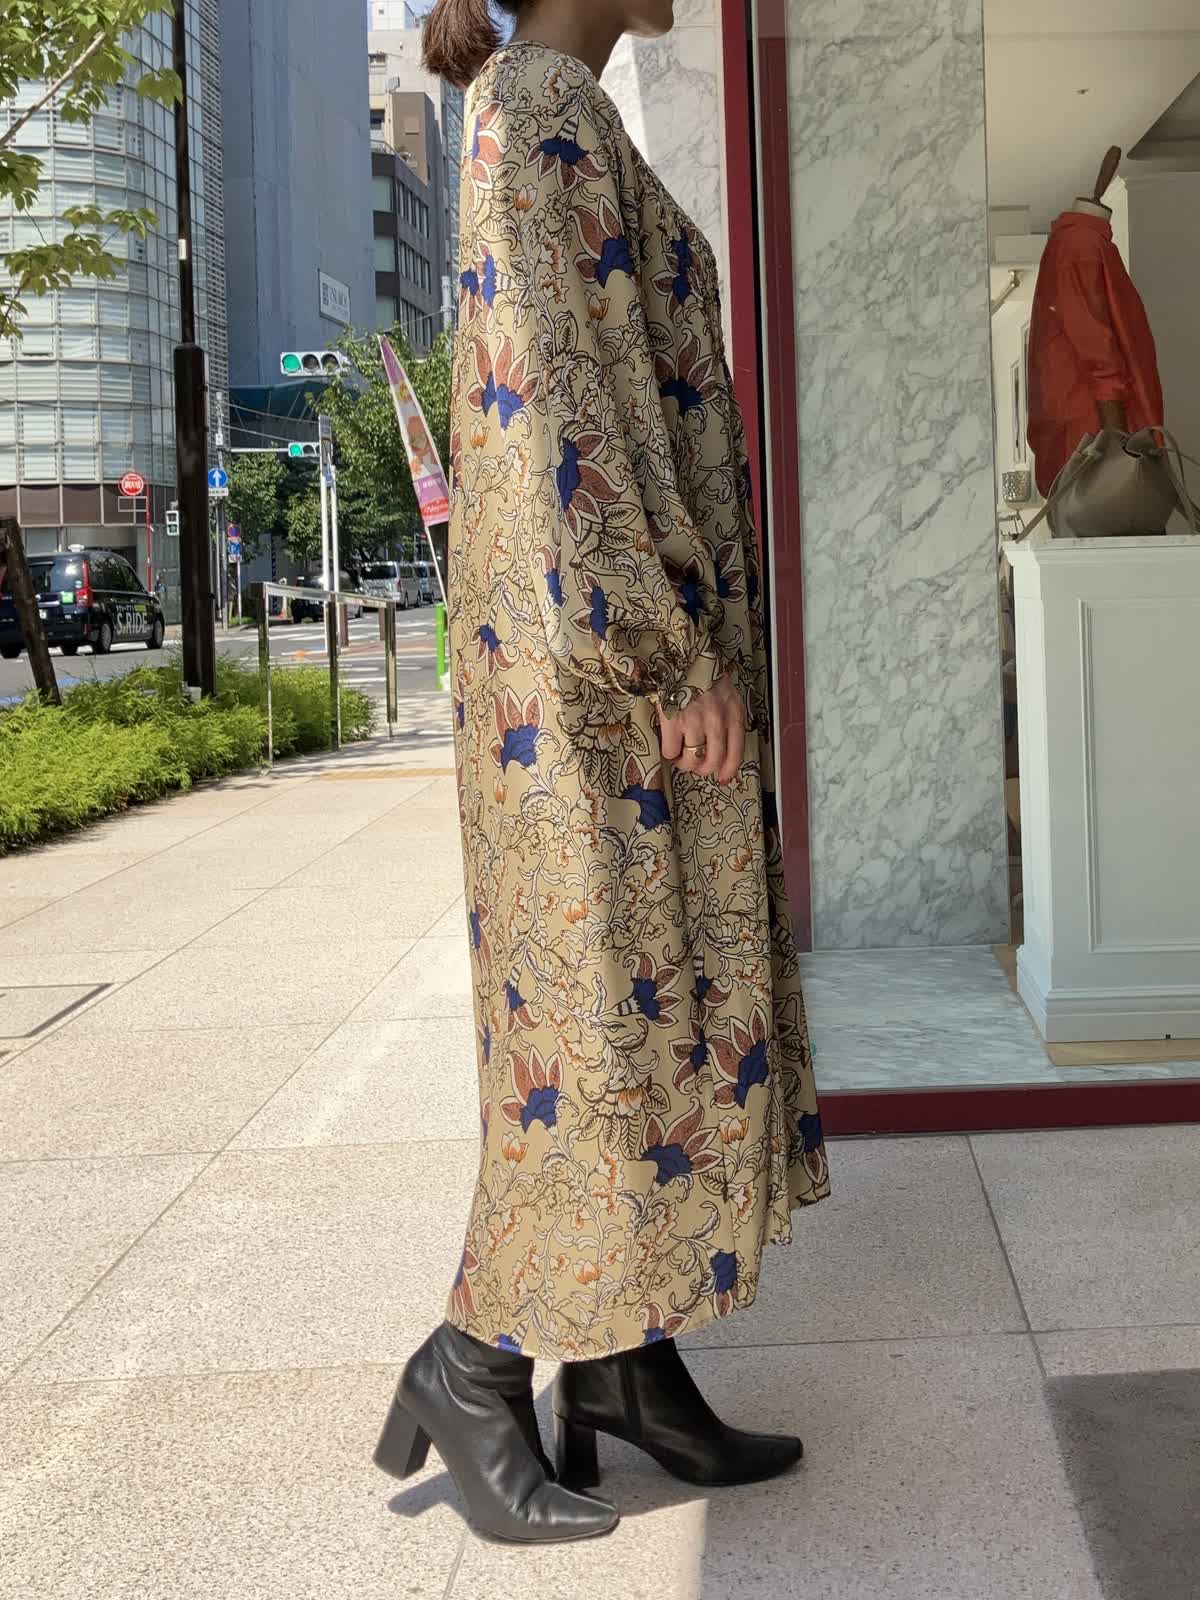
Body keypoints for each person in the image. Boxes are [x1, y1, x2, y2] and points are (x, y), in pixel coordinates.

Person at [373, 0, 830, 1545]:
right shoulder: (539, 107)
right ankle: (473, 1365)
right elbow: (557, 417)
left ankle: (626, 1367)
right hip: (601, 706)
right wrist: (665, 656)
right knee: (597, 1033)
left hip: (590, 694)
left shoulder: (556, 106)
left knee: (628, 1025)